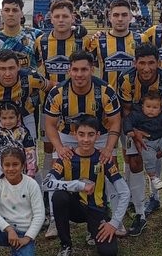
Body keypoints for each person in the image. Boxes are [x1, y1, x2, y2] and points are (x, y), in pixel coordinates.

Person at [44, 50, 123, 234]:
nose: (79, 74)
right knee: (58, 166)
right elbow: (49, 124)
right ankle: (56, 220)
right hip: (68, 134)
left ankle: (114, 218)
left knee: (110, 165)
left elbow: (115, 121)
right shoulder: (58, 92)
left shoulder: (105, 91)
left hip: (99, 134)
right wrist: (60, 148)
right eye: (75, 70)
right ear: (69, 70)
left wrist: (108, 149)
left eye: (84, 70)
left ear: (92, 69)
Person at [43, 115, 130, 256]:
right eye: (81, 134)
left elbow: (125, 192)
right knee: (59, 196)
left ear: (97, 135)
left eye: (90, 135)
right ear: (75, 135)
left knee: (109, 253)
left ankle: (93, 229)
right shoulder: (66, 157)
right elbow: (46, 184)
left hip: (96, 209)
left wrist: (114, 223)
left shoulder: (104, 158)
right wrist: (78, 186)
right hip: (74, 208)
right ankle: (65, 245)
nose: (85, 139)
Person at [118, 42, 162, 232]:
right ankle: (140, 214)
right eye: (142, 63)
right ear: (135, 63)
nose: (146, 68)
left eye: (151, 63)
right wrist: (136, 135)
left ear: (158, 63)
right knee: (135, 163)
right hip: (138, 128)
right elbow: (127, 112)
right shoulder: (126, 79)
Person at [34, 0, 89, 226]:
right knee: (51, 150)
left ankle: (83, 195)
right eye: (57, 16)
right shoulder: (41, 41)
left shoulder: (82, 40)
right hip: (50, 105)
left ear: (73, 18)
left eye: (65, 16)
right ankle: (51, 197)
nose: (61, 20)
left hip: (80, 104)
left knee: (82, 147)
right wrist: (46, 84)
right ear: (50, 18)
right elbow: (32, 70)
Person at [0, 49, 53, 210]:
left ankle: (39, 204)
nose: (7, 73)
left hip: (25, 116)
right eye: (2, 69)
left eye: (11, 68)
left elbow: (51, 87)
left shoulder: (31, 77)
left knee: (31, 159)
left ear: (19, 66)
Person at [123, 91, 162, 190]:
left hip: (160, 139)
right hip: (146, 142)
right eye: (148, 107)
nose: (151, 110)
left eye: (154, 108)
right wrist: (129, 131)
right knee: (149, 157)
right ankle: (153, 177)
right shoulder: (137, 115)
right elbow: (128, 121)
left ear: (160, 109)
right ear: (142, 107)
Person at [86, 0, 145, 92]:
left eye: (124, 15)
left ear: (130, 16)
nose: (120, 19)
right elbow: (89, 64)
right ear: (110, 17)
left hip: (134, 98)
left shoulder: (142, 39)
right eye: (116, 15)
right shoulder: (97, 40)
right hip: (107, 98)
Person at [0, 102, 36, 183]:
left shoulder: (23, 132)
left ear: (18, 117)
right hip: (0, 167)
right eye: (4, 118)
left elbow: (30, 152)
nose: (7, 121)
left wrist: (31, 171)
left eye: (11, 118)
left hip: (19, 166)